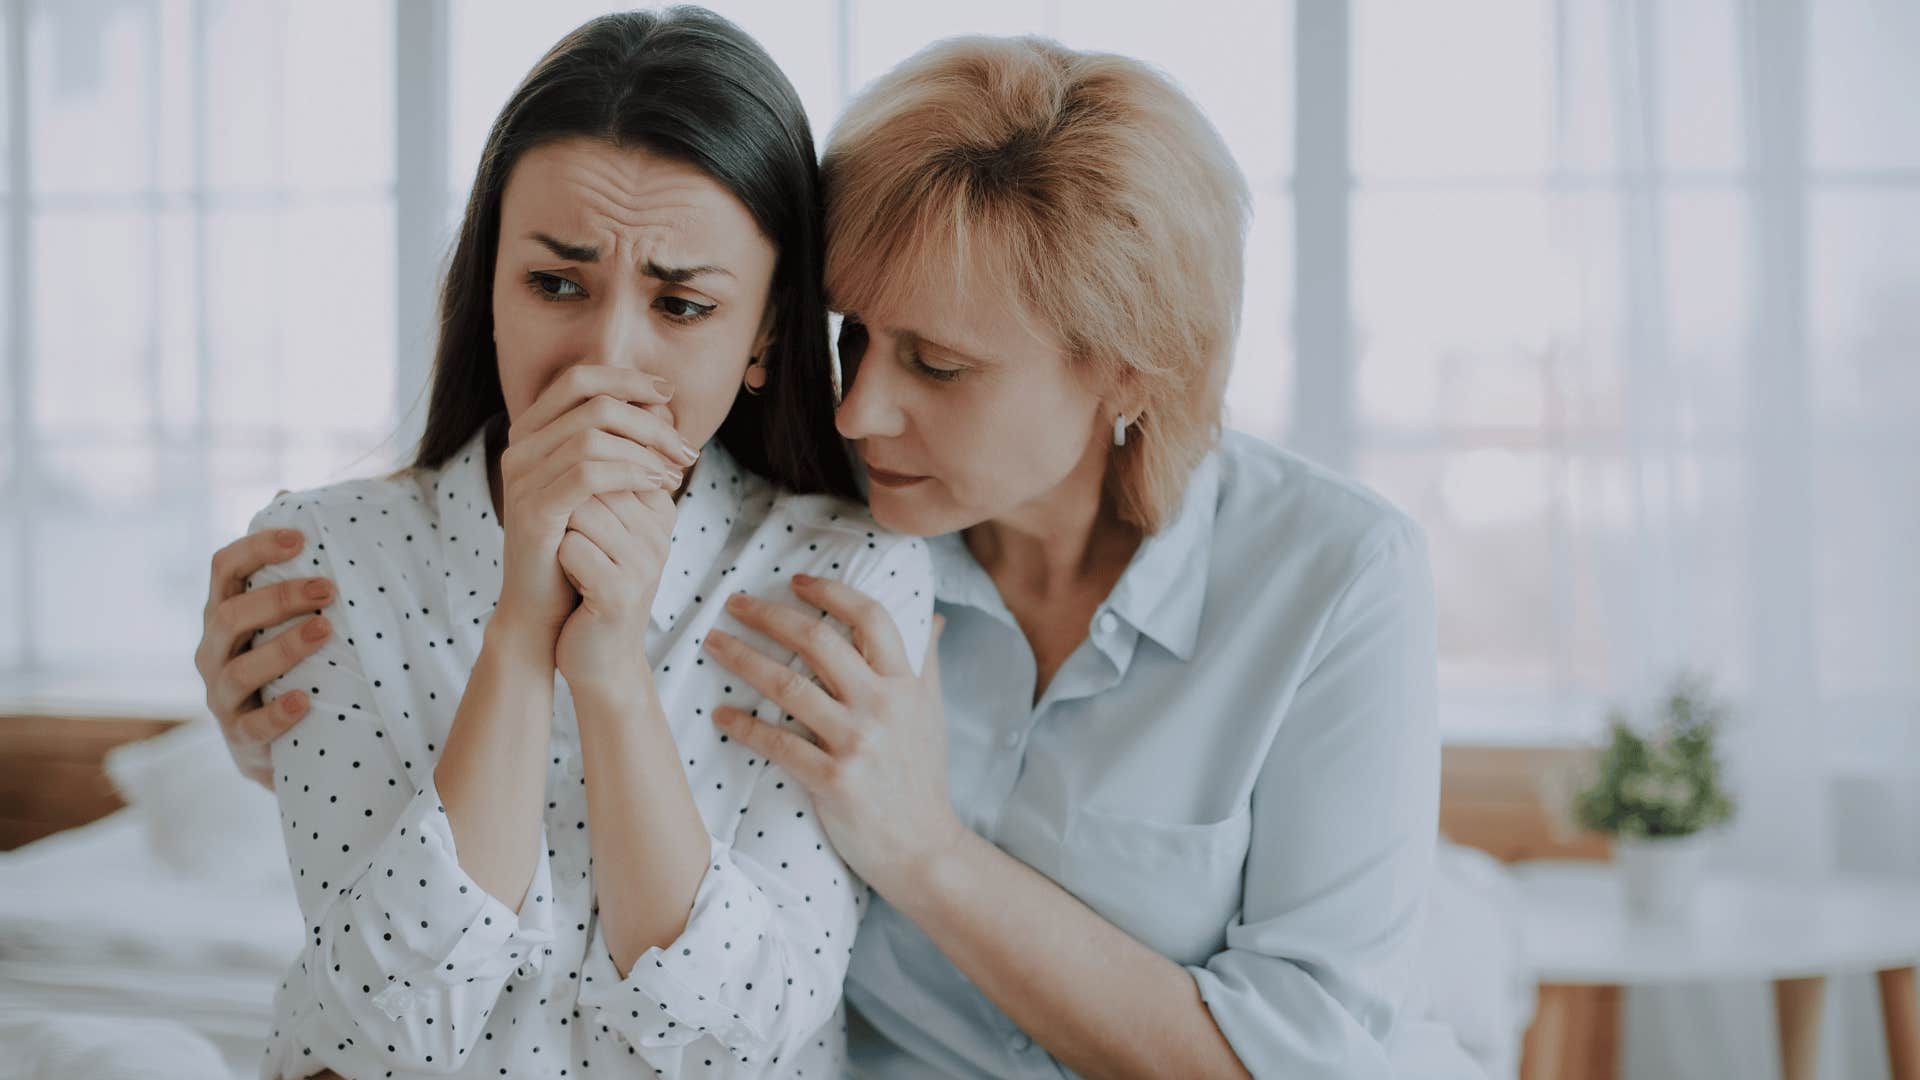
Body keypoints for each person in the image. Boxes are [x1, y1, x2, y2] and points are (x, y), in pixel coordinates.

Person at [202, 26, 1478, 1080]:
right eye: (850, 336)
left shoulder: (1332, 577)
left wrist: (922, 848)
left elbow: (1309, 1059)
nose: (859, 409)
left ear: (1129, 374)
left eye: (937, 363)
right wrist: (277, 726)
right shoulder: (842, 535)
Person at [222, 9, 933, 1078]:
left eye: (682, 305)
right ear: (489, 291)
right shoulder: (324, 558)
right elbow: (382, 1030)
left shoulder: (846, 576)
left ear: (766, 336)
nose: (605, 360)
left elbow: (742, 1044)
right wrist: (522, 631)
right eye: (556, 285)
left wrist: (609, 672)